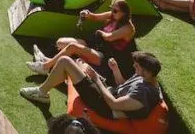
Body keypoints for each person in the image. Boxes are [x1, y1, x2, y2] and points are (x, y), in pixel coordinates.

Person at [21, 50, 164, 122]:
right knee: (79, 62)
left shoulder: (143, 94)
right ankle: (46, 65)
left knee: (66, 61)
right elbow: (123, 86)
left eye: (137, 66)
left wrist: (97, 80)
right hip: (107, 93)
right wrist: (115, 70)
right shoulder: (146, 78)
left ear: (147, 72)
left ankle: (41, 92)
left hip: (104, 106)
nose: (134, 67)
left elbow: (114, 104)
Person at [27, 0, 136, 78]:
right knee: (60, 42)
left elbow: (109, 37)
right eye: (111, 8)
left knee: (72, 47)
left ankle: (45, 66)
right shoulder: (113, 15)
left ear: (124, 13)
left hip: (105, 56)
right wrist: (87, 14)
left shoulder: (128, 28)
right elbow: (95, 17)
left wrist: (100, 32)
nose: (112, 12)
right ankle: (48, 61)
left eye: (115, 11)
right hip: (94, 44)